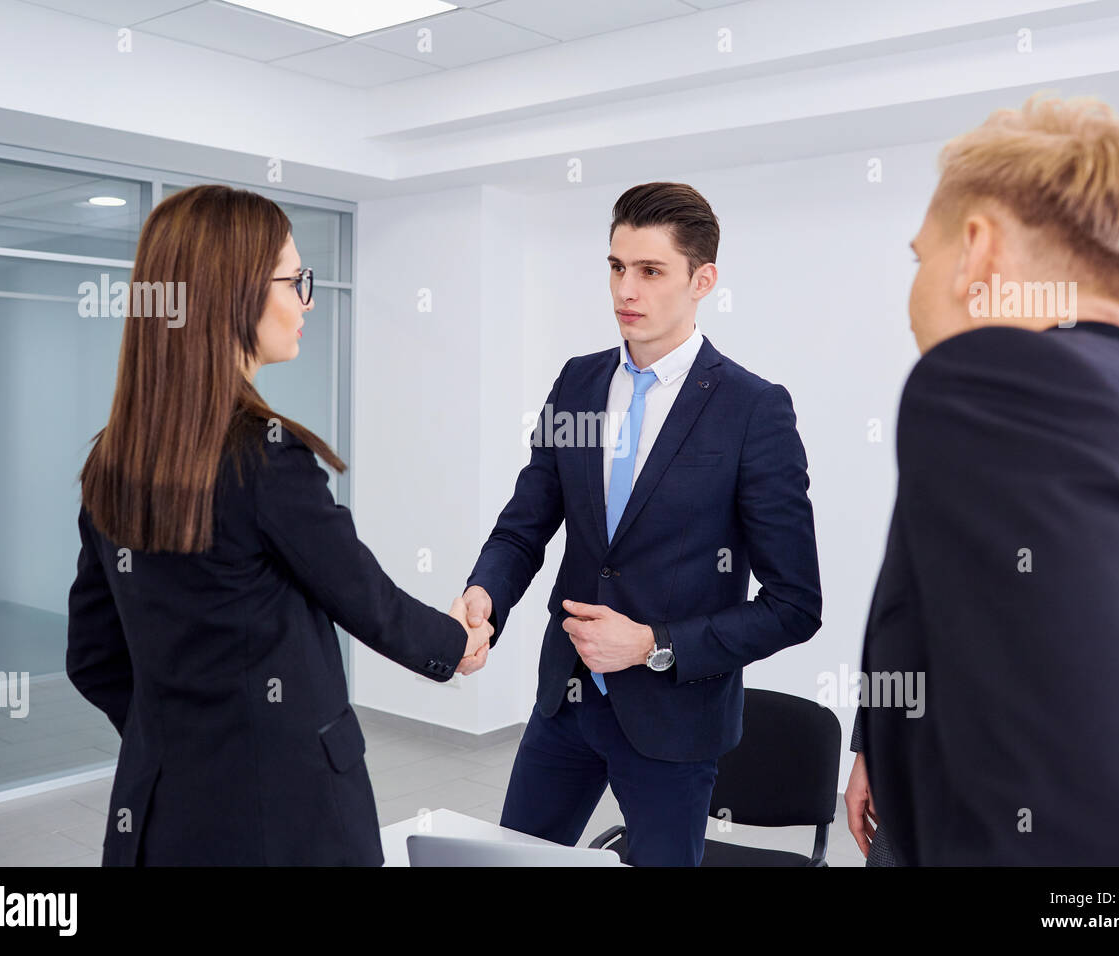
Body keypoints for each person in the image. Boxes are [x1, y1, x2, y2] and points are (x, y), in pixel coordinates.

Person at [66, 184, 492, 866]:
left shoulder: (111, 462)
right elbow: (366, 600)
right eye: (296, 280)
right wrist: (457, 643)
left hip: (158, 818)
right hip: (289, 821)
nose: (307, 300)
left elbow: (92, 658)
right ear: (231, 292)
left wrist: (178, 739)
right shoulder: (263, 458)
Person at [858, 93, 1119, 865]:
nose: (912, 297)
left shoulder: (999, 391)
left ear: (979, 251)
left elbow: (1097, 830)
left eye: (921, 257)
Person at [455, 182, 823, 866]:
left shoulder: (753, 410)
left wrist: (654, 644)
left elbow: (795, 606)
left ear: (701, 280)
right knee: (509, 863)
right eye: (617, 267)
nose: (627, 289)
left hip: (674, 720)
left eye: (651, 271)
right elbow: (524, 524)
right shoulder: (578, 383)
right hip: (564, 702)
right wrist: (486, 594)